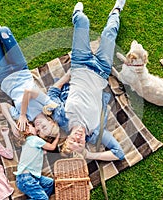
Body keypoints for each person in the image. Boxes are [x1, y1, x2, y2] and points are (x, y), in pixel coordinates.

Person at [47, 1, 126, 161]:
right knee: (109, 32)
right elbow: (119, 153)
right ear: (84, 144)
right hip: (102, 70)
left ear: (67, 138)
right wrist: (89, 155)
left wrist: (67, 76)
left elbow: (52, 94)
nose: (78, 137)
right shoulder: (95, 132)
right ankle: (117, 9)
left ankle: (76, 15)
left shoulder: (62, 118)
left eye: (72, 140)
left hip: (80, 64)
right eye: (79, 143)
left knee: (83, 21)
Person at [0, 12, 69, 141]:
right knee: (4, 30)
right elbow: (28, 92)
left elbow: (3, 106)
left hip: (4, 76)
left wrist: (13, 124)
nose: (39, 127)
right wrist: (22, 114)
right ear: (51, 122)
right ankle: (2, 37)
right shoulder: (48, 106)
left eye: (39, 131)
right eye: (44, 127)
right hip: (21, 69)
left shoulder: (25, 120)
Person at [14, 122, 60, 199]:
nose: (36, 128)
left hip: (31, 177)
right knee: (43, 198)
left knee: (50, 183)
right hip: (26, 178)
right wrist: (57, 137)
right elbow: (52, 147)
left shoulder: (28, 141)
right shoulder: (34, 139)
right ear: (28, 130)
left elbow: (40, 152)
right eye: (33, 127)